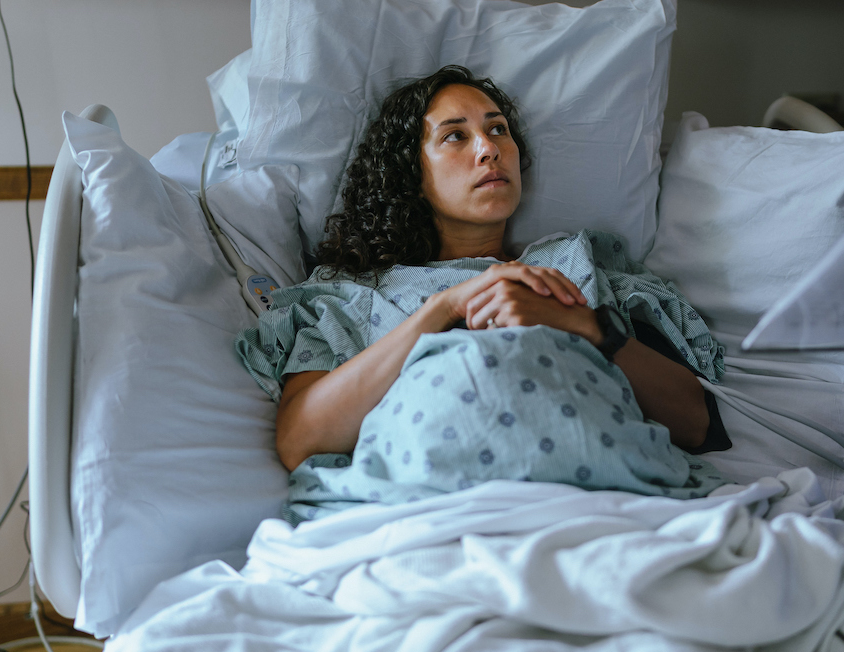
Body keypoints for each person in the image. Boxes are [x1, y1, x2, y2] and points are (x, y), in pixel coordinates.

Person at [237, 65, 730, 524]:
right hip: (427, 514)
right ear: (411, 172)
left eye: (498, 130)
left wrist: (584, 325)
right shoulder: (351, 296)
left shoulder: (579, 266)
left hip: (600, 506)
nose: (489, 149)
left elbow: (693, 424)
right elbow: (300, 439)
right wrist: (444, 308)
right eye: (455, 136)